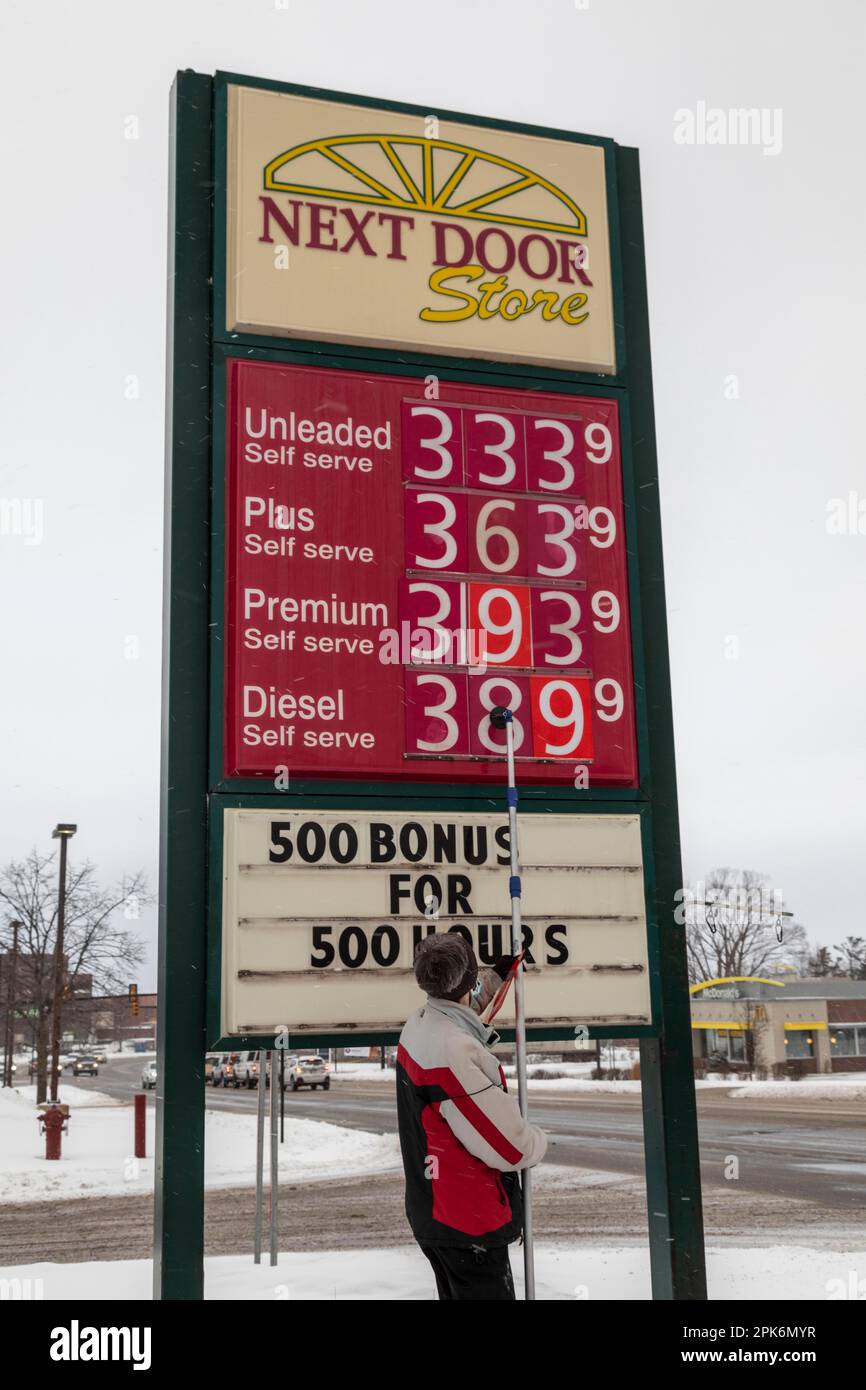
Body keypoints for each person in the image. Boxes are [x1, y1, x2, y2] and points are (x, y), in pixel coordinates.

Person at [396, 932, 547, 1300]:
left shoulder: (420, 1024)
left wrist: (495, 976)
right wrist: (537, 1140)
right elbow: (509, 1148)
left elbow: (462, 1007)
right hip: (467, 1222)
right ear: (467, 980)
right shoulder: (454, 1052)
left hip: (437, 1211)